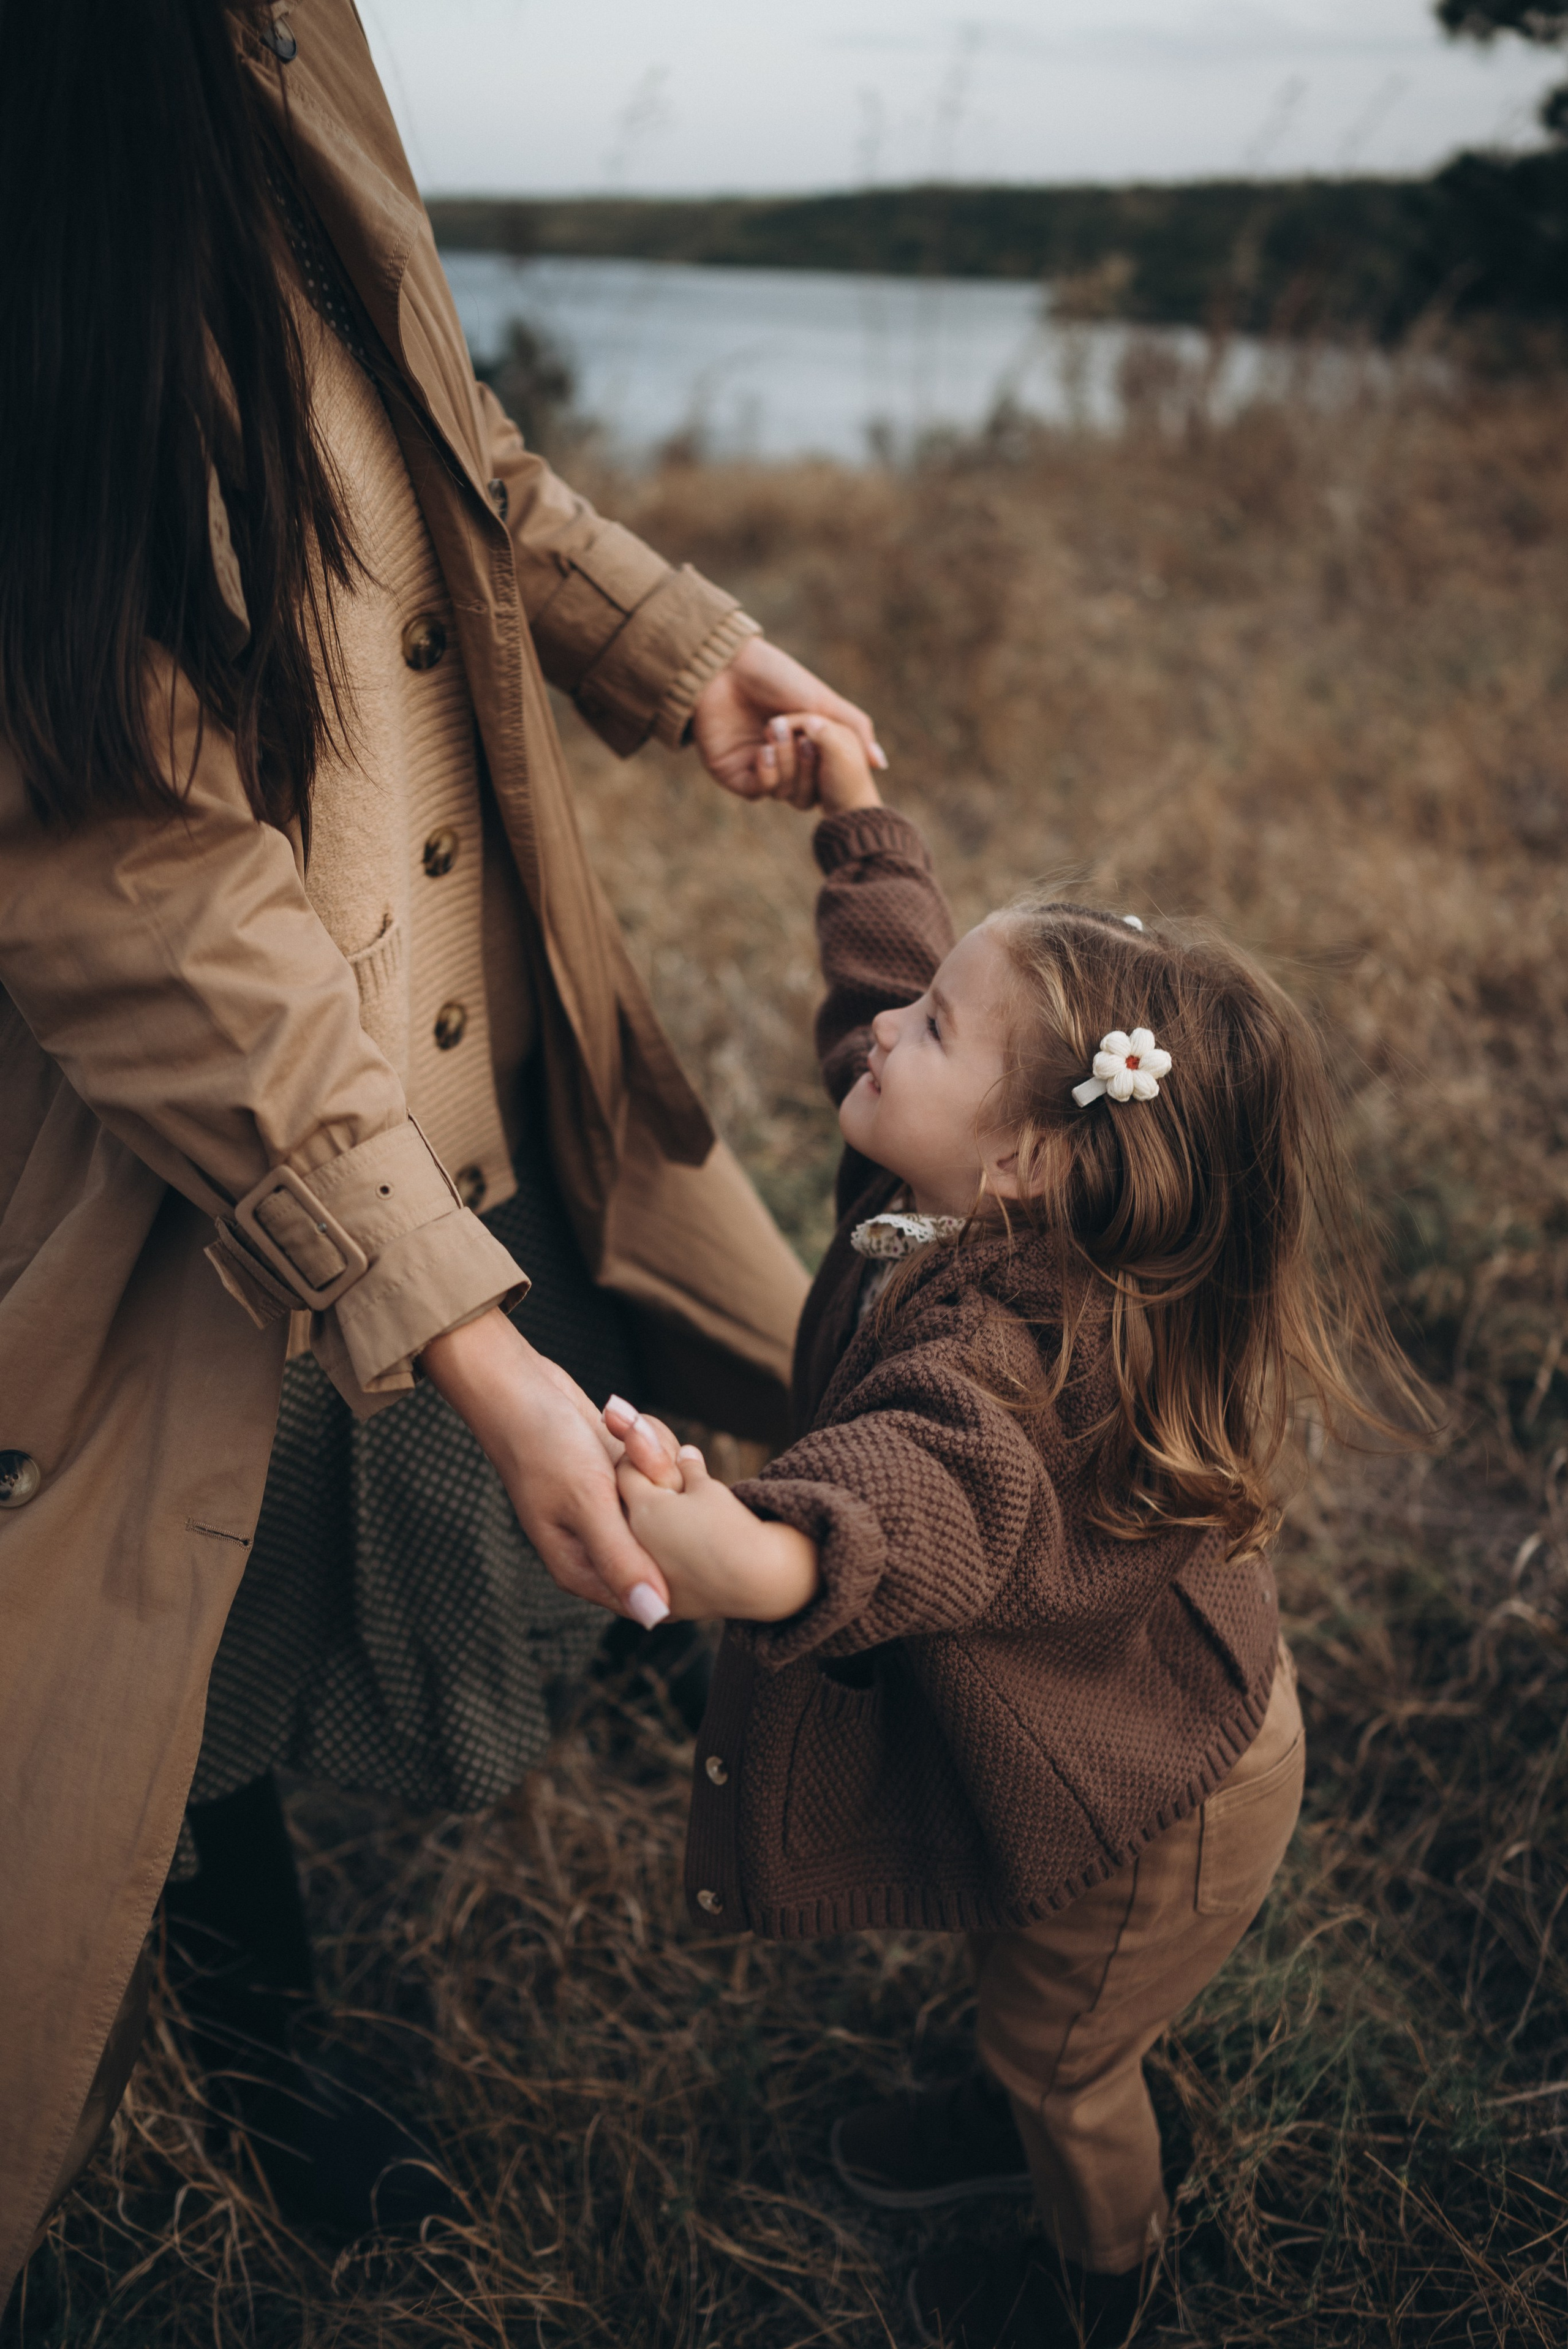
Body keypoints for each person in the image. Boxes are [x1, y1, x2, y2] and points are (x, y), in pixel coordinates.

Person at [0, 0, 884, 2285]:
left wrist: (672, 643)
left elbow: (433, 432)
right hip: (193, 1138)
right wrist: (451, 1336)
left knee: (678, 1406)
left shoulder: (286, 30)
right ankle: (259, 2045)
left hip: (487, 1062)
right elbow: (117, 858)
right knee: (152, 1652)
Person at [605, 712, 1428, 2348]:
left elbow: (914, 1512)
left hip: (1160, 1798)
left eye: (932, 1030)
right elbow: (884, 977)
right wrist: (860, 825)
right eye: (924, 1009)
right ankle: (1019, 2084)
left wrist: (740, 1551)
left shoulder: (1015, 1368)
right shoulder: (949, 1173)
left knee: (1065, 2053)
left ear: (1028, 1164)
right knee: (1029, 1974)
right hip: (1093, 1717)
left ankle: (1100, 2267)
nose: (885, 1038)